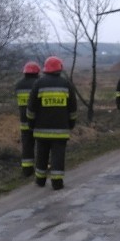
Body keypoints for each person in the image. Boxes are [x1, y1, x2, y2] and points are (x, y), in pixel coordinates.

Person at [26, 56, 78, 189]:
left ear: (46, 69)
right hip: (61, 130)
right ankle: (57, 182)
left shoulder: (38, 84)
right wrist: (71, 123)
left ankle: (40, 180)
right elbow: (73, 107)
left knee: (41, 155)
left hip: (41, 129)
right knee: (58, 156)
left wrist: (31, 123)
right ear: (60, 68)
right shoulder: (66, 84)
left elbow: (31, 107)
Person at [14, 61, 40, 177]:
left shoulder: (18, 85)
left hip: (24, 122)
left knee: (27, 146)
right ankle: (41, 167)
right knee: (41, 146)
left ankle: (26, 170)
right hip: (38, 122)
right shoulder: (38, 84)